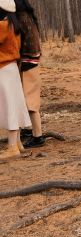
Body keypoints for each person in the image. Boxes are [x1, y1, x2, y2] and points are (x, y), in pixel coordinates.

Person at [0, 0, 31, 160]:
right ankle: (17, 143)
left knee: (9, 107)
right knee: (14, 105)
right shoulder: (14, 25)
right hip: (11, 68)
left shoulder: (3, 26)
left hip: (3, 70)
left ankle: (12, 147)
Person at [16, 0, 44, 148]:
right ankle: (28, 130)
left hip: (28, 63)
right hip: (30, 62)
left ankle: (38, 136)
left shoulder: (21, 19)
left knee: (30, 102)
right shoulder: (28, 18)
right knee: (26, 100)